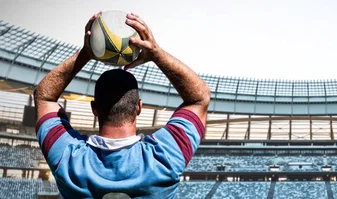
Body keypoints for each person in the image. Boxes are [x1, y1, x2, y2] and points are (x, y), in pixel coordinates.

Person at [34, 11, 210, 198]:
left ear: (94, 109)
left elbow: (44, 97)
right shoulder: (163, 157)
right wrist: (157, 54)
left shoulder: (68, 159)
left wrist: (85, 54)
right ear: (139, 108)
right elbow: (199, 98)